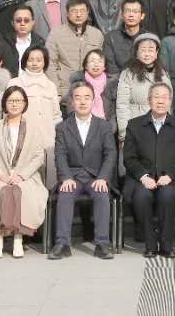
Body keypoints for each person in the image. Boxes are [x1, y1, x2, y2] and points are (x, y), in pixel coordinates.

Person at [50, 82, 118, 260]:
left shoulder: (103, 126)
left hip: (96, 176)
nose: (82, 102)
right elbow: (60, 155)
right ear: (72, 101)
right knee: (65, 194)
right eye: (78, 98)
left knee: (102, 195)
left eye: (87, 97)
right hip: (72, 176)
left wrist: (103, 177)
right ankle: (62, 243)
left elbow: (110, 153)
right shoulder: (62, 127)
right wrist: (65, 177)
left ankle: (102, 244)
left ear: (93, 100)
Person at [0, 86, 48, 259]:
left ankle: (18, 238)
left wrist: (21, 176)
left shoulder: (33, 127)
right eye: (11, 101)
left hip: (26, 176)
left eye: (18, 101)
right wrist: (0, 175)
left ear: (25, 103)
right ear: (4, 103)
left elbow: (39, 156)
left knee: (18, 191)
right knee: (1, 191)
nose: (14, 104)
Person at [124, 83, 175, 258]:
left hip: (170, 179)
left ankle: (166, 244)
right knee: (141, 196)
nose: (160, 101)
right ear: (149, 100)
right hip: (142, 179)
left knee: (167, 195)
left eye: (164, 97)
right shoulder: (134, 125)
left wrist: (170, 175)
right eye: (156, 97)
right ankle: (150, 244)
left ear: (170, 101)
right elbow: (129, 158)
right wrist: (143, 176)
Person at [116, 34, 171, 144]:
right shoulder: (128, 74)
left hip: (159, 128)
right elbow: (122, 105)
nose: (147, 54)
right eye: (143, 50)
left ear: (156, 53)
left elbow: (169, 104)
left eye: (151, 50)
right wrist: (123, 133)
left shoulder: (163, 74)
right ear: (136, 53)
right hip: (134, 126)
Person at [46, 0, 104, 97]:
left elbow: (101, 63)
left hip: (91, 92)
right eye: (74, 11)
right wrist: (57, 92)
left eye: (82, 11)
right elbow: (49, 64)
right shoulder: (56, 34)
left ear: (87, 12)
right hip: (65, 91)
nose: (78, 15)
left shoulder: (97, 34)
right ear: (67, 13)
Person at [67, 49, 116, 124]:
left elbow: (114, 110)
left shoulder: (112, 84)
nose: (96, 64)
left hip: (106, 124)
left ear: (104, 67)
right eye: (92, 61)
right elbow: (71, 107)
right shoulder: (77, 83)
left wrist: (111, 126)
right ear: (86, 66)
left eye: (100, 61)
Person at [103, 0, 146, 75]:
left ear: (142, 16)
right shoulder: (111, 38)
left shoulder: (149, 38)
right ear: (122, 15)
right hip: (118, 80)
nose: (131, 15)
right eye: (127, 11)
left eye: (135, 11)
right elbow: (112, 70)